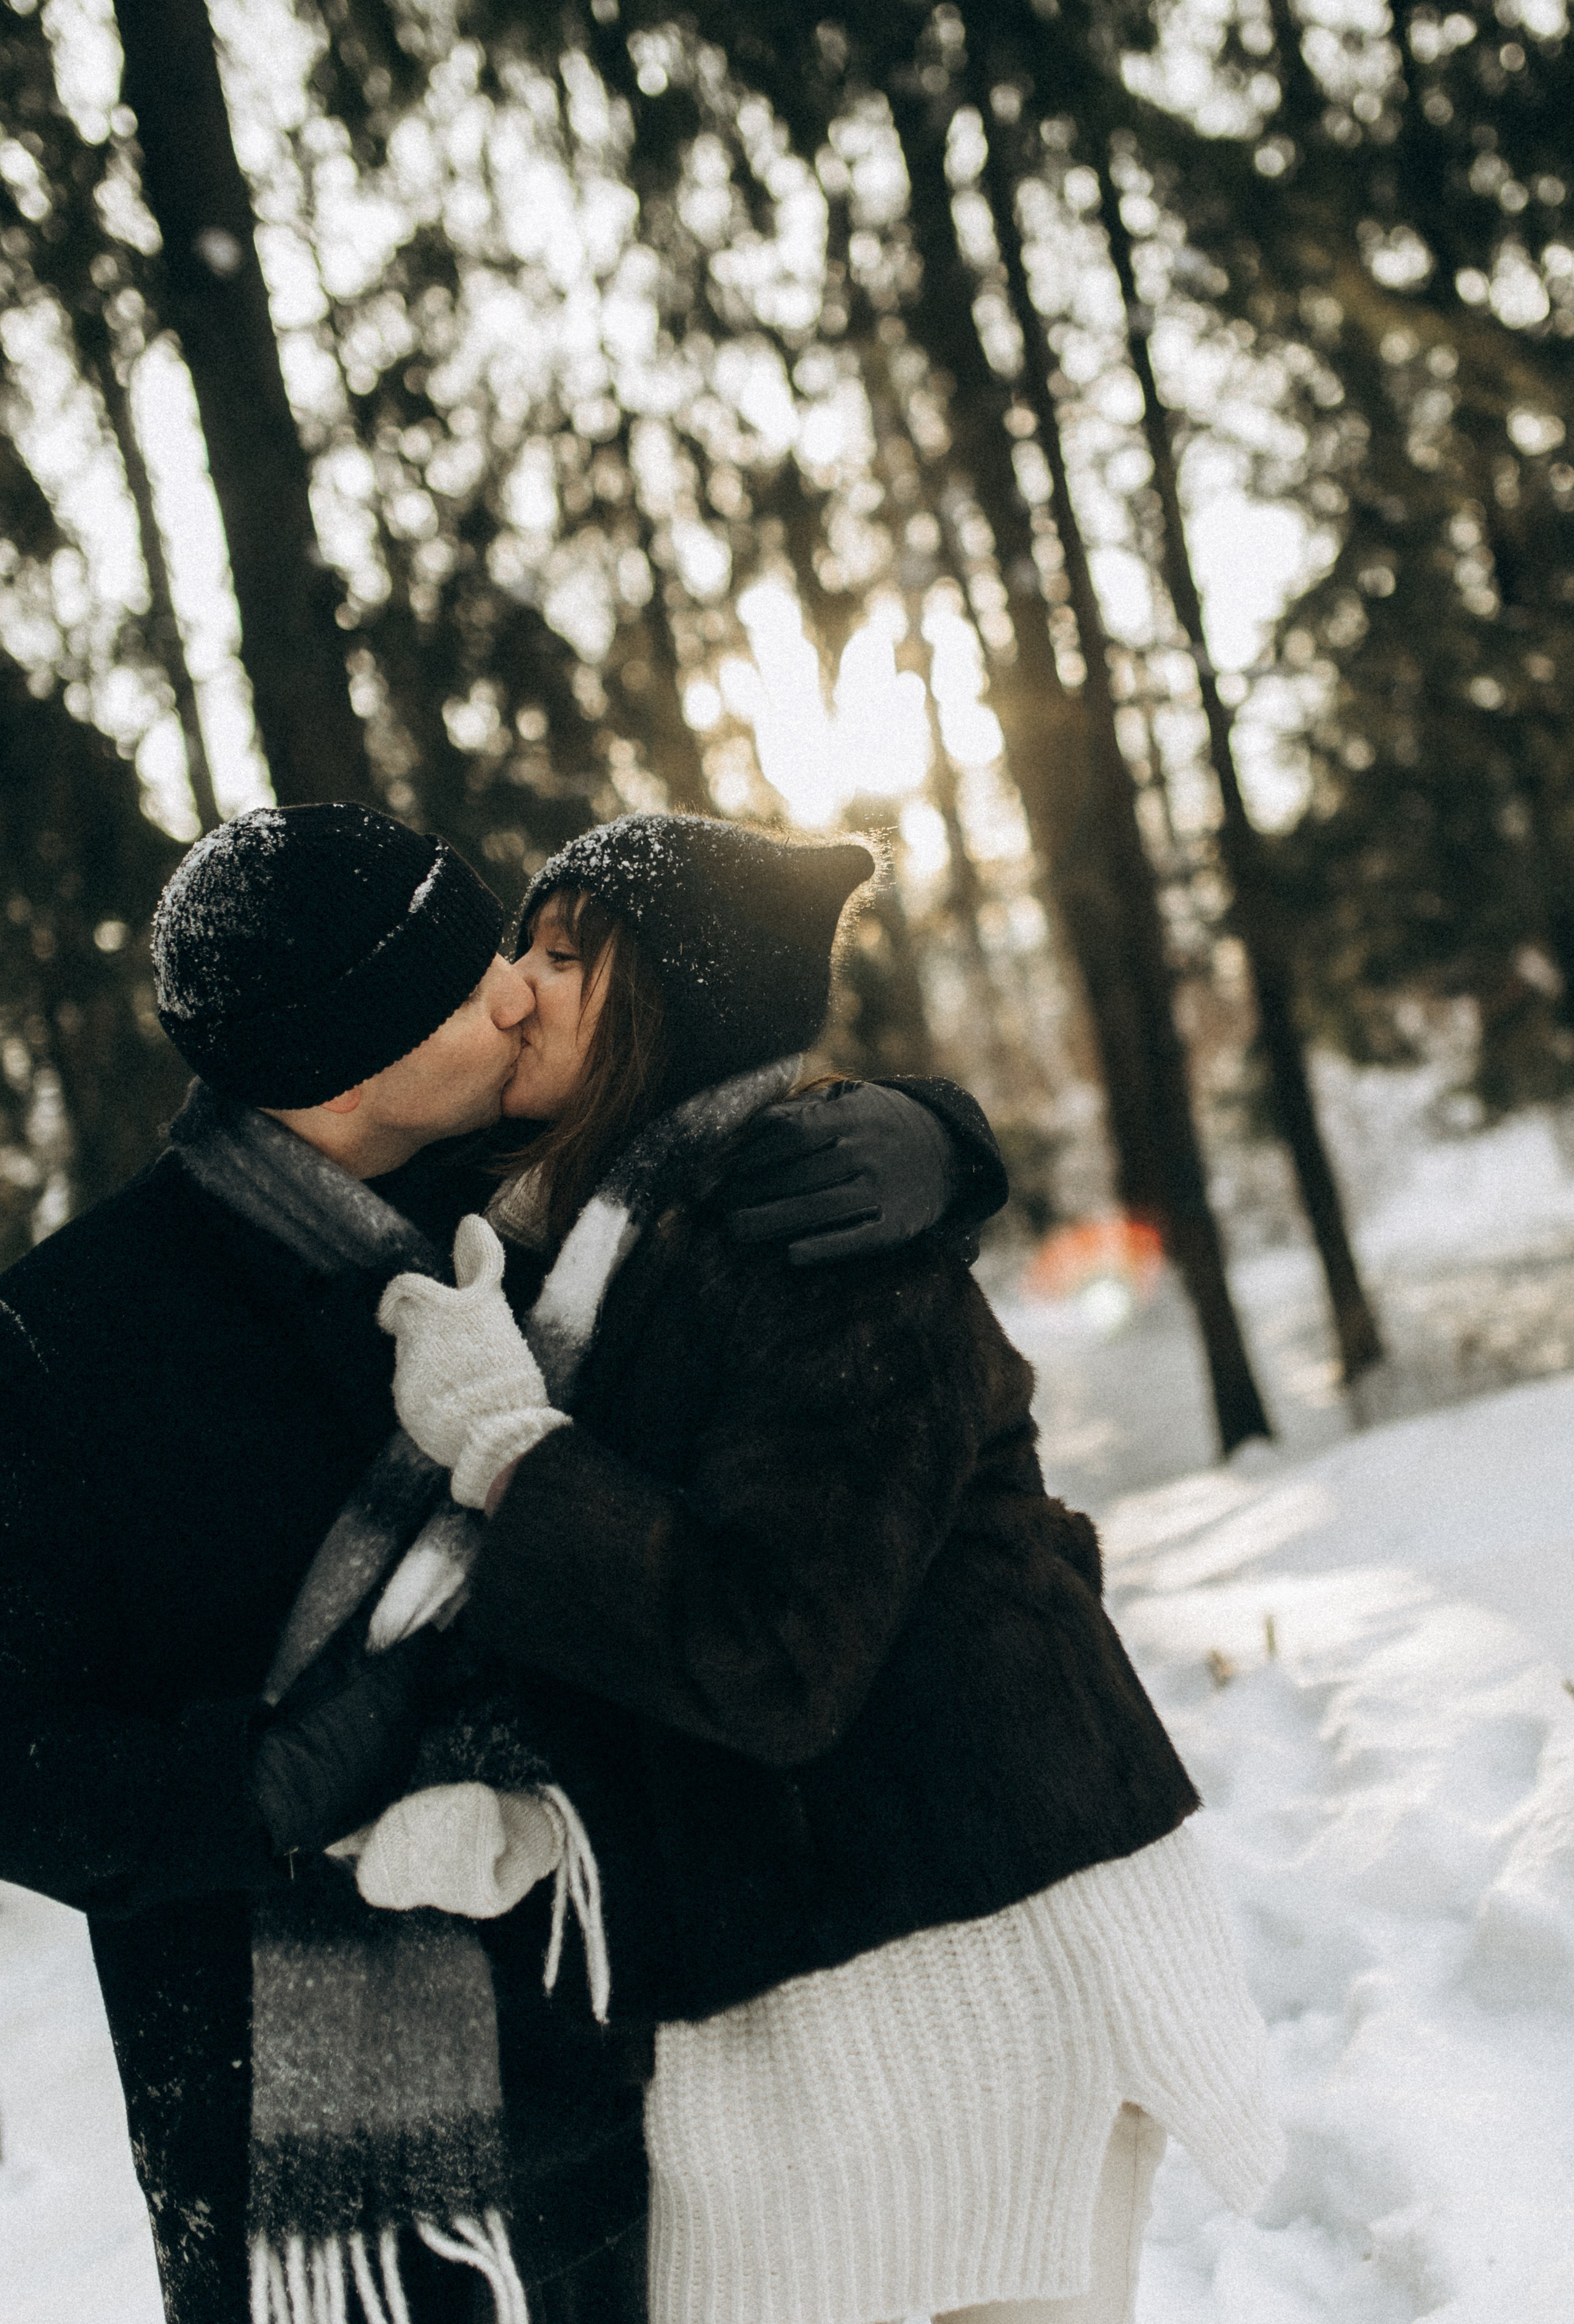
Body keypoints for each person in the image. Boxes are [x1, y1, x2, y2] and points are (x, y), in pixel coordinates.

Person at [0, 801, 1005, 2324]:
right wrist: (255, 1793)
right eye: (471, 976)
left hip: (619, 2062)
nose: (518, 993)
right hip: (307, 2162)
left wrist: (937, 1142)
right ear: (351, 1062)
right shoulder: (67, 1341)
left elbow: (729, 1103)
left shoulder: (535, 1201)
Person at [366, 812, 1286, 2324]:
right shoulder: (563, 1251)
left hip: (996, 1959)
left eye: (564, 956)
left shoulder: (814, 1229)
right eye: (519, 945)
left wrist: (510, 1452)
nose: (514, 985)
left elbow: (774, 1654)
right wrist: (532, 1803)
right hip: (794, 2008)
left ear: (678, 1004)